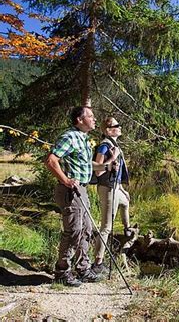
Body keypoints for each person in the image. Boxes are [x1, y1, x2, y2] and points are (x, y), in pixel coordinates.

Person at [45, 106, 109, 286]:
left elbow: (87, 165)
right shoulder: (70, 137)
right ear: (80, 120)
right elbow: (51, 160)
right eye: (90, 116)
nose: (95, 119)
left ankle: (82, 268)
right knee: (74, 231)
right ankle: (62, 272)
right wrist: (65, 180)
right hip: (71, 191)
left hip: (82, 189)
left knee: (86, 230)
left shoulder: (83, 138)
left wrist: (108, 165)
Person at [92, 116, 131, 274]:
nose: (120, 127)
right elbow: (99, 170)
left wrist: (122, 189)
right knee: (106, 227)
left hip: (115, 188)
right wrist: (113, 158)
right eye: (117, 125)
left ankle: (127, 229)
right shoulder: (104, 146)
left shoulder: (115, 145)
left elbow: (117, 172)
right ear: (108, 130)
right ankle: (97, 263)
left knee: (126, 202)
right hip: (107, 189)